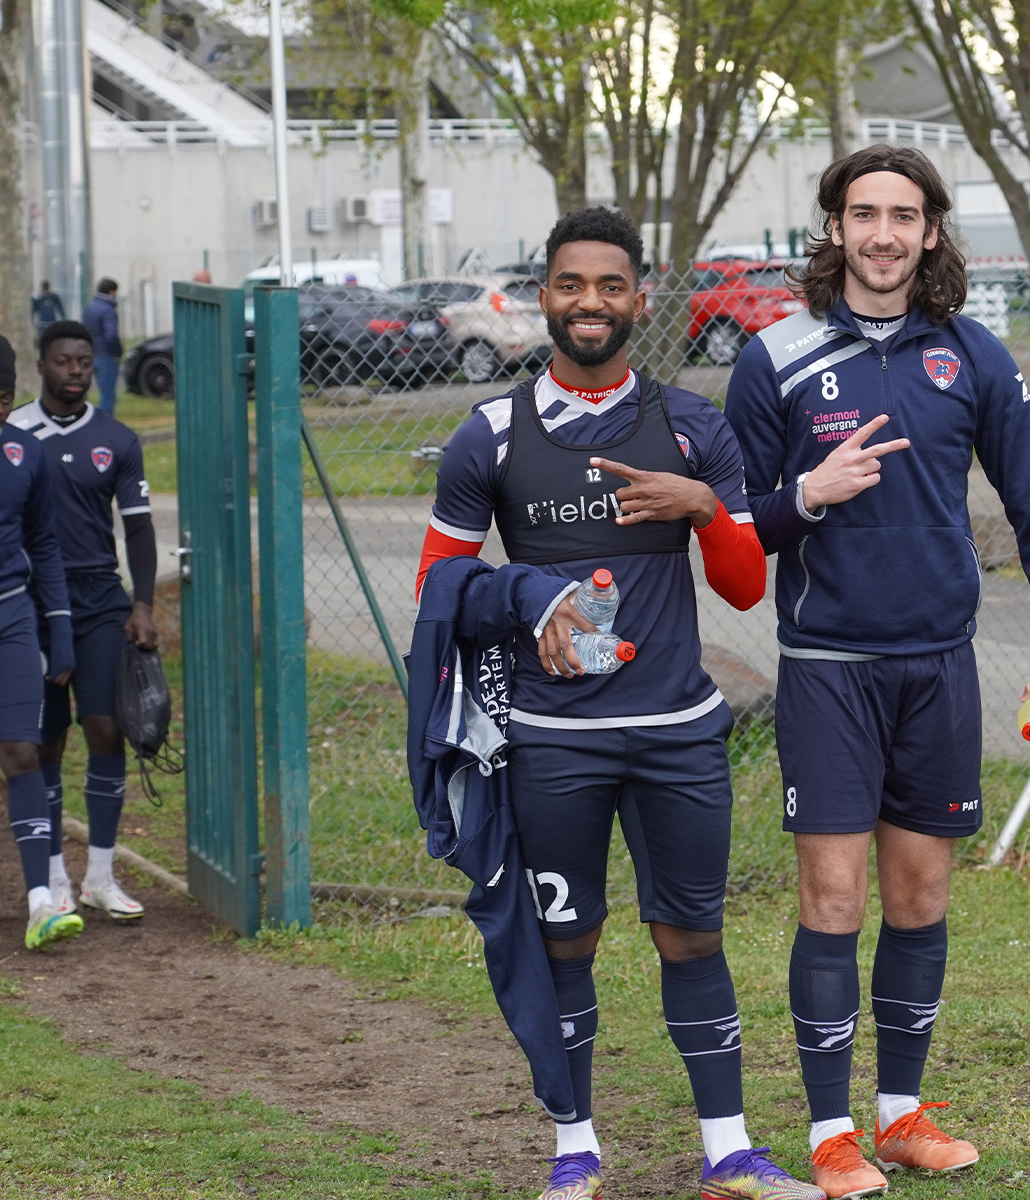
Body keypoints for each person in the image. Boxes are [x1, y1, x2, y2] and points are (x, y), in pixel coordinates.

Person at [415, 207, 823, 1200]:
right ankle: (575, 1154)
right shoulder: (491, 435)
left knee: (692, 938)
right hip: (552, 741)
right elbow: (436, 591)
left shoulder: (693, 425)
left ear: (640, 300)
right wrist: (526, 596)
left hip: (677, 733)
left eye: (609, 286)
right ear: (544, 298)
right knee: (567, 943)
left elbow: (742, 589)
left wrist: (702, 507)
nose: (589, 302)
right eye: (570, 285)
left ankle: (728, 1153)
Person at [724, 145, 1030, 1198]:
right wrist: (809, 493)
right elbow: (737, 530)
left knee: (921, 894)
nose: (883, 234)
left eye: (902, 216)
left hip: (939, 667)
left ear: (931, 230)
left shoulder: (972, 355)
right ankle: (831, 1134)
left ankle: (899, 1116)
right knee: (833, 897)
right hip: (828, 671)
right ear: (834, 228)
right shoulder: (775, 358)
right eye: (864, 214)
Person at [9, 319, 158, 922]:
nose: (75, 370)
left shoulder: (116, 438)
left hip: (99, 599)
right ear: (41, 366)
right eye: (63, 361)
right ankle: (52, 879)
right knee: (45, 741)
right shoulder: (14, 432)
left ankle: (100, 875)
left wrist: (142, 603)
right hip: (32, 601)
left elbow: (139, 527)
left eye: (83, 361)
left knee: (106, 727)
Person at [0, 326, 81, 950]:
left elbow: (44, 543)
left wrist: (58, 625)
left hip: (8, 618)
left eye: (5, 398)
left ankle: (40, 903)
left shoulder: (23, 452)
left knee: (22, 752)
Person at [81, 278, 122, 414]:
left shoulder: (89, 308)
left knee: (83, 391)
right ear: (112, 292)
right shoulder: (108, 310)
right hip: (106, 355)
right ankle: (105, 422)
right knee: (107, 394)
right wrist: (117, 352)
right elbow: (111, 335)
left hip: (90, 354)